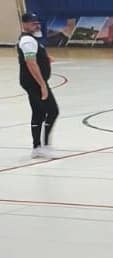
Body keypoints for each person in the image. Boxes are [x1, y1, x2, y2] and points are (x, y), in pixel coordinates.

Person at [16, 13, 59, 159]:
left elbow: (34, 57)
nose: (36, 25)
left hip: (31, 82)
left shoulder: (32, 39)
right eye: (32, 23)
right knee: (52, 111)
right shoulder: (27, 40)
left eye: (37, 23)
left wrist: (45, 58)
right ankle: (45, 146)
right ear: (24, 24)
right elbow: (30, 63)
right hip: (34, 83)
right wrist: (42, 85)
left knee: (38, 112)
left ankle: (37, 147)